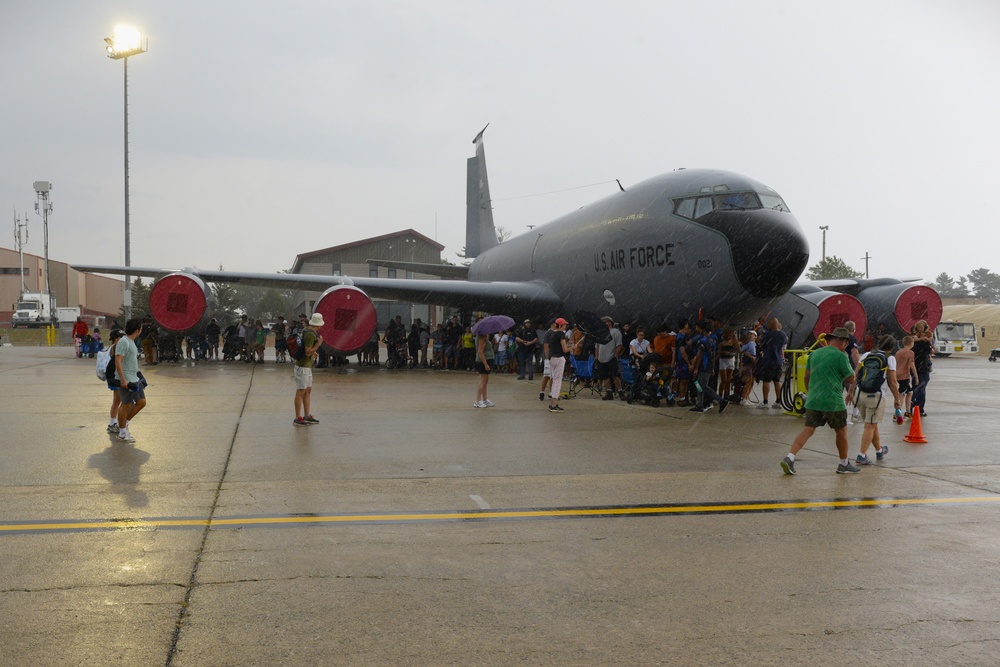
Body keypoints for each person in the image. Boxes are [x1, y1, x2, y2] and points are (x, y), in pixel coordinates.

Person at [780, 327, 859, 475]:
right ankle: (844, 464)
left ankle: (790, 457)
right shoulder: (841, 356)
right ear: (843, 342)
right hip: (833, 401)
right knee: (841, 430)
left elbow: (806, 377)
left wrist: (813, 392)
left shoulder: (814, 354)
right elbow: (850, 377)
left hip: (814, 399)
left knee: (809, 428)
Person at [855, 335, 901, 465]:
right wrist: (897, 399)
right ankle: (861, 455)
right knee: (870, 426)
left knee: (872, 424)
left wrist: (851, 392)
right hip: (875, 396)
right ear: (892, 347)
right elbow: (892, 381)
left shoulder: (866, 355)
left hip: (860, 395)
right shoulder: (890, 358)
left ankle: (879, 450)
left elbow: (856, 374)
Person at [114, 319, 147, 443]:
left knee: (141, 402)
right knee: (126, 404)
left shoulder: (131, 342)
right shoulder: (124, 341)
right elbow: (118, 361)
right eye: (141, 328)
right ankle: (122, 432)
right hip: (126, 379)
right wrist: (122, 379)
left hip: (134, 378)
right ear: (137, 330)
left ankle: (124, 423)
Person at [292, 313, 325, 427]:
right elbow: (307, 351)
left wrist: (313, 351)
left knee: (307, 390)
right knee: (301, 390)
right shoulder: (311, 334)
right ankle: (297, 417)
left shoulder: (308, 330)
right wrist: (318, 345)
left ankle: (306, 415)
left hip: (306, 365)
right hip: (303, 366)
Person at [690, 320, 728, 413]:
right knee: (699, 384)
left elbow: (700, 355)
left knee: (702, 385)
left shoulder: (703, 340)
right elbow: (713, 354)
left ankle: (721, 400)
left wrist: (696, 368)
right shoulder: (712, 340)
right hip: (709, 365)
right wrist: (713, 367)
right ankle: (699, 404)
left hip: (704, 365)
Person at [756, 317, 787, 409]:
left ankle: (765, 402)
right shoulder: (783, 334)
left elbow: (762, 344)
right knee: (777, 381)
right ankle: (778, 401)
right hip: (778, 361)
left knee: (766, 381)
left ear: (772, 324)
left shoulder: (768, 334)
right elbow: (784, 344)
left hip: (768, 360)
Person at [595, 316, 624, 401]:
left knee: (615, 375)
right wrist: (596, 356)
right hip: (601, 358)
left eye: (606, 322)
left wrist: (615, 355)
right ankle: (609, 392)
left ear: (610, 322)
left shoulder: (616, 332)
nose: (604, 324)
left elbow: (619, 345)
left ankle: (620, 391)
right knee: (605, 376)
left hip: (611, 357)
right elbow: (597, 346)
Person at [546, 317, 570, 412]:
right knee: (557, 382)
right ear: (560, 325)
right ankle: (553, 404)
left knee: (554, 380)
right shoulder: (561, 334)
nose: (565, 326)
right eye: (564, 324)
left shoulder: (553, 334)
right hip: (559, 358)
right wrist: (572, 347)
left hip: (552, 358)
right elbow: (565, 349)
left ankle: (553, 403)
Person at [911, 321, 934, 417]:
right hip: (923, 366)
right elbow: (931, 350)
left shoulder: (913, 341)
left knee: (915, 385)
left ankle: (913, 405)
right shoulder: (925, 342)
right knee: (922, 386)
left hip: (914, 366)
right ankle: (917, 405)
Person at [103, 328, 124, 433]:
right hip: (115, 377)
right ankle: (116, 423)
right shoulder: (116, 347)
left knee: (117, 400)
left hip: (113, 376)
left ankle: (113, 423)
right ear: (116, 338)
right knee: (119, 400)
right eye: (121, 337)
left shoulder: (113, 347)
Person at [894, 335, 917, 417]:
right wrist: (916, 376)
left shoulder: (898, 352)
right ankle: (898, 412)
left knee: (909, 392)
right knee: (902, 393)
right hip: (904, 376)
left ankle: (907, 411)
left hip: (897, 374)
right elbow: (912, 365)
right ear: (911, 343)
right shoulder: (911, 353)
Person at [473, 328, 495, 408]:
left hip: (486, 360)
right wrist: (485, 364)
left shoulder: (483, 338)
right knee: (483, 381)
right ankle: (477, 400)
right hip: (483, 361)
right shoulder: (481, 338)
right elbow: (480, 351)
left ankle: (485, 399)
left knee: (485, 381)